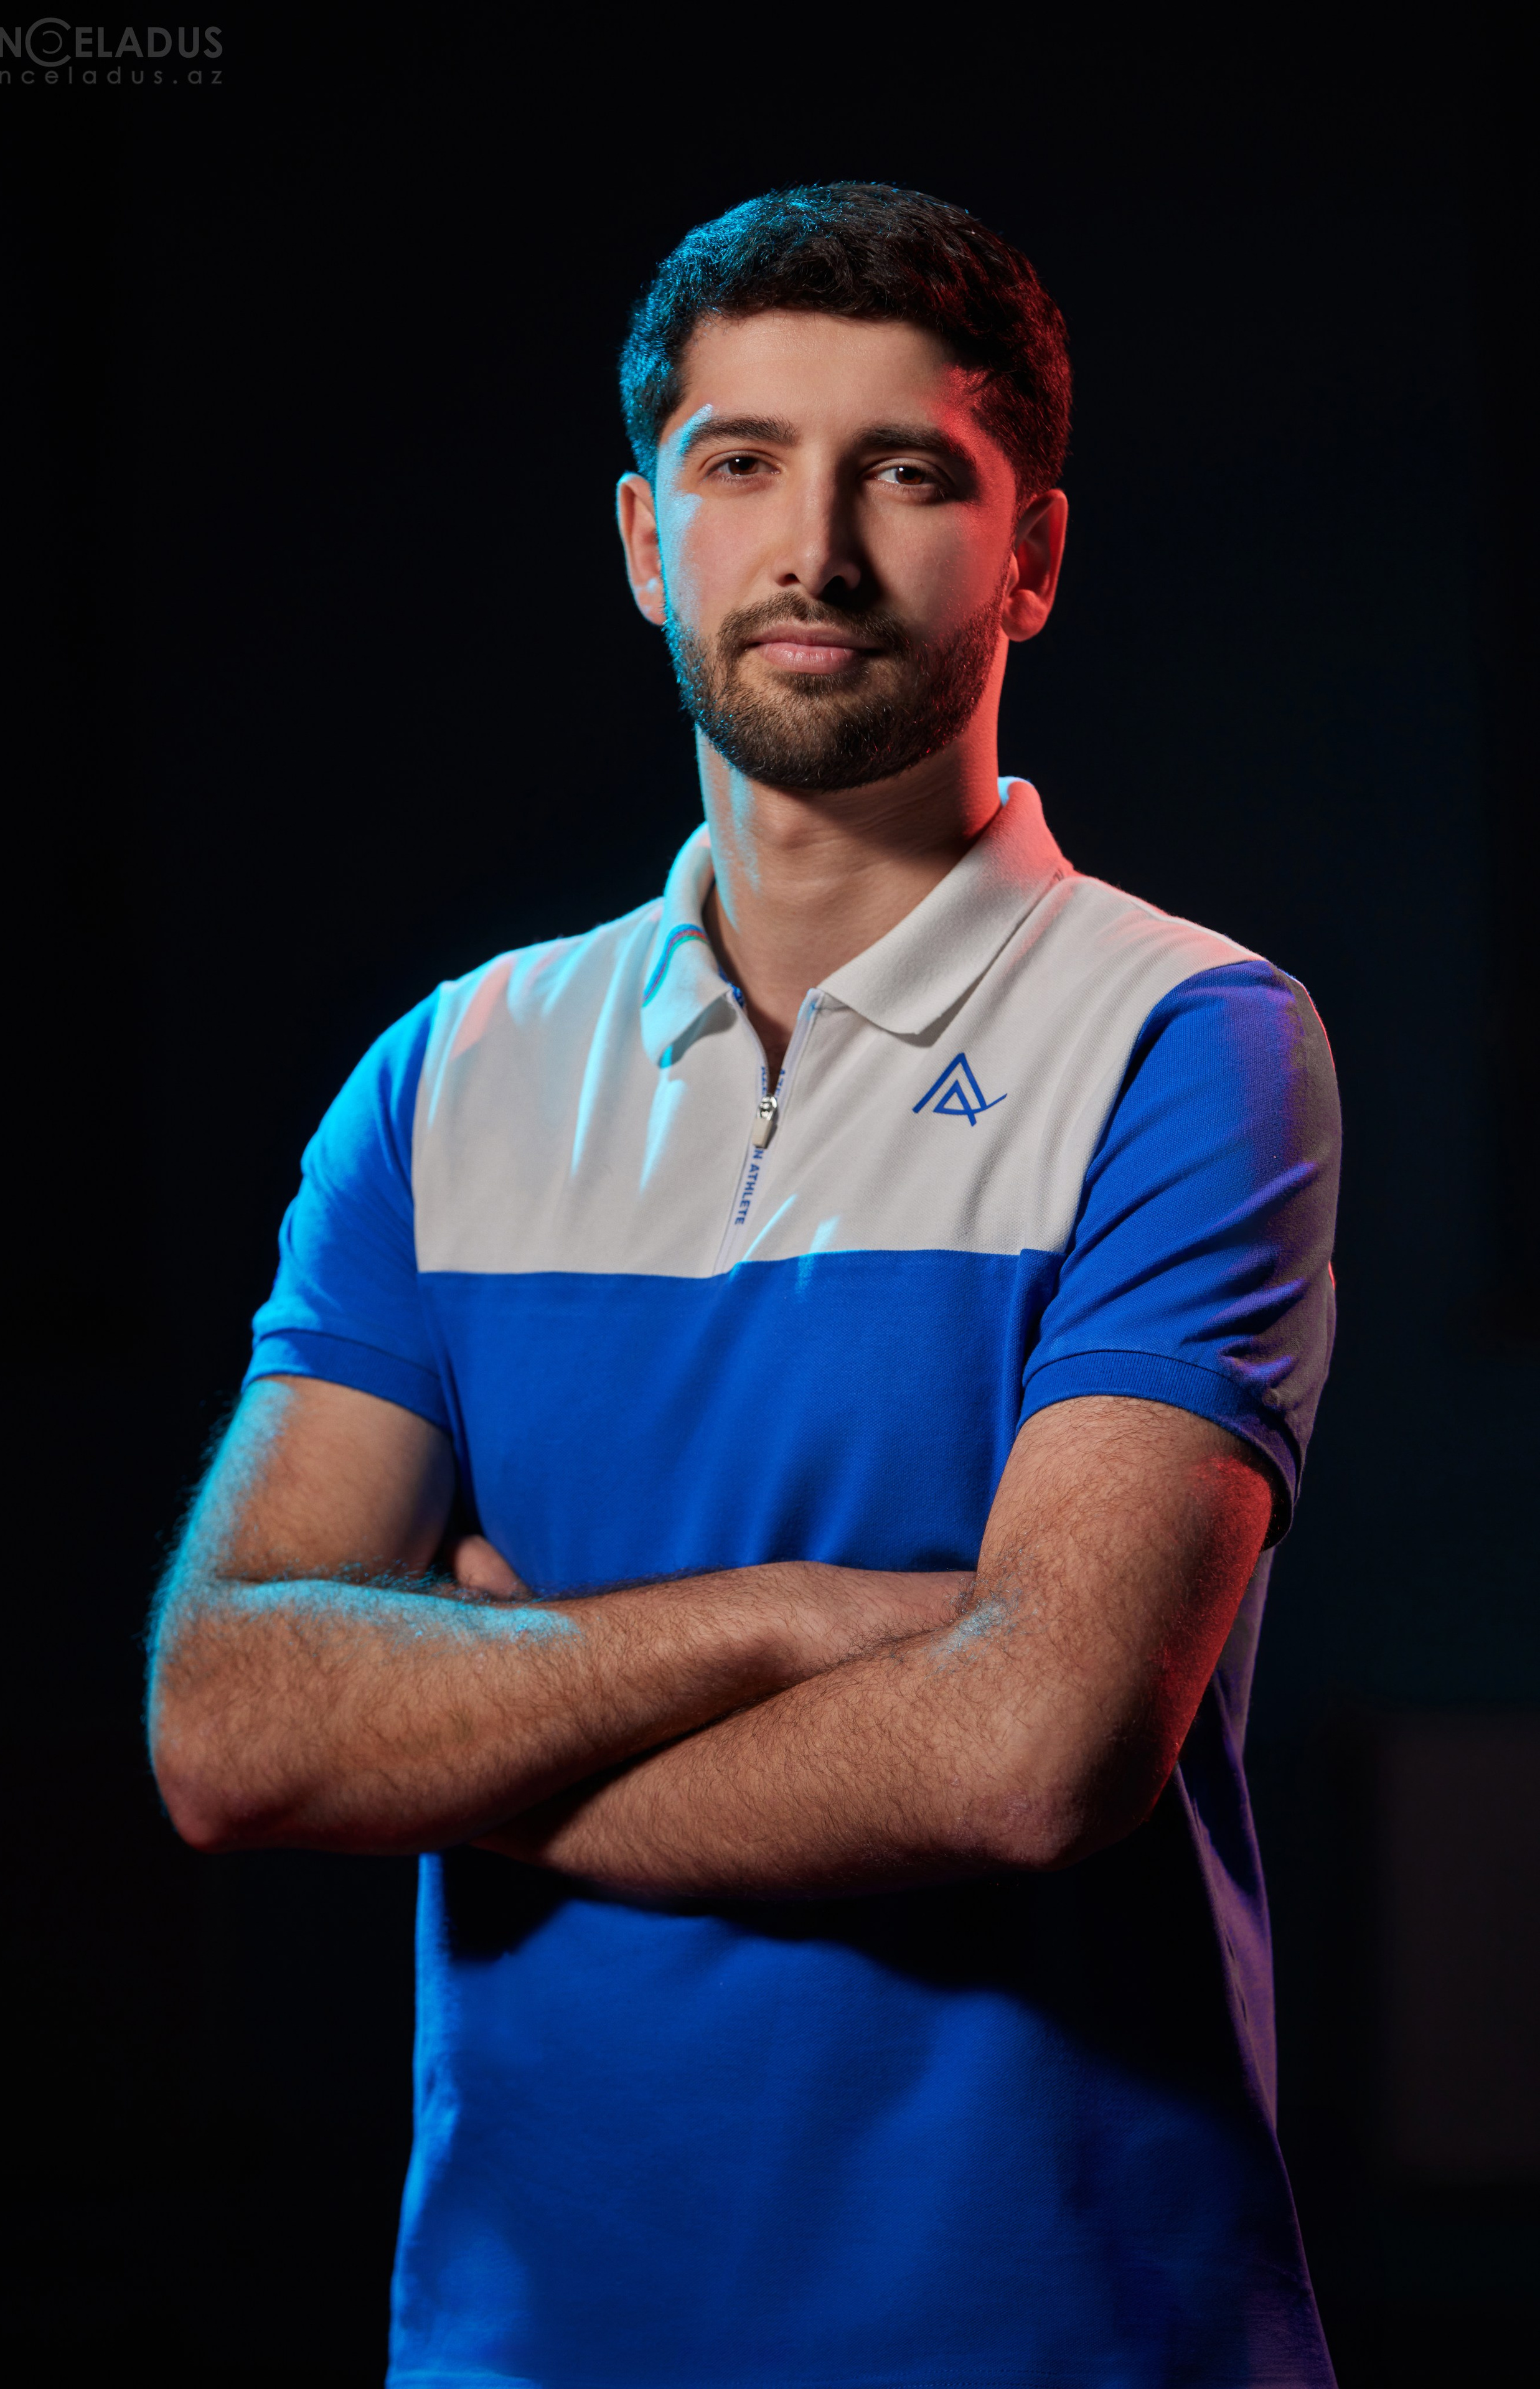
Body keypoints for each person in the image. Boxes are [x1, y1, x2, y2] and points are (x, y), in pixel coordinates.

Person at [149, 183, 1341, 2388]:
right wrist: (816, 1618)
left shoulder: (1190, 1038)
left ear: (1034, 556)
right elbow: (229, 1724)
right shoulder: (455, 1071)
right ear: (642, 541)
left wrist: (473, 1711)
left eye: (908, 472)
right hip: (530, 2343)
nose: (817, 546)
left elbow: (1030, 1755)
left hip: (1063, 2337)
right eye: (744, 464)